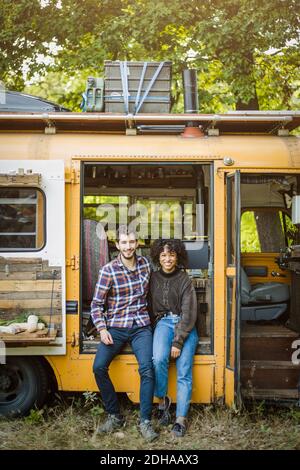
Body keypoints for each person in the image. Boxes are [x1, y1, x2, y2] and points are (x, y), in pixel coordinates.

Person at [91, 225, 158, 442]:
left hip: (141, 326)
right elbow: (96, 304)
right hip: (116, 327)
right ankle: (114, 416)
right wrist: (102, 329)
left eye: (132, 242)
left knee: (147, 369)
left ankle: (145, 421)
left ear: (137, 243)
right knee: (99, 367)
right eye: (124, 243)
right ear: (117, 245)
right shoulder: (108, 270)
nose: (128, 247)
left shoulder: (146, 264)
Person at [149, 239, 198, 437]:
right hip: (163, 323)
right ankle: (162, 402)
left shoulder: (185, 279)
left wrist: (178, 341)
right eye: (163, 255)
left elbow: (189, 312)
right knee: (158, 359)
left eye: (171, 255)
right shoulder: (152, 278)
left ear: (177, 257)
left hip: (185, 326)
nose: (167, 259)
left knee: (184, 369)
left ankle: (180, 419)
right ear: (157, 258)